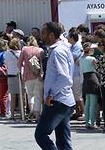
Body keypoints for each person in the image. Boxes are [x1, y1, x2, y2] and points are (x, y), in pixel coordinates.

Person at [34, 22, 75, 150]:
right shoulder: (61, 49)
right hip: (64, 100)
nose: (42, 36)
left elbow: (64, 77)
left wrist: (51, 94)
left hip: (57, 100)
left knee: (41, 134)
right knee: (63, 140)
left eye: (44, 33)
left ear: (52, 35)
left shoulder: (58, 51)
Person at [20, 36, 44, 119]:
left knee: (30, 95)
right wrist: (42, 73)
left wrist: (24, 66)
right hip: (38, 76)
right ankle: (37, 115)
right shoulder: (40, 50)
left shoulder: (24, 49)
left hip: (27, 75)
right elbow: (42, 63)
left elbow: (19, 63)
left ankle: (32, 111)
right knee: (38, 95)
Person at [80, 41, 99, 129]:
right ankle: (92, 122)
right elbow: (97, 68)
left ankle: (87, 122)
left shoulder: (81, 59)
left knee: (87, 102)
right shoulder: (92, 59)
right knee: (93, 102)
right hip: (93, 78)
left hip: (85, 79)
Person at [5, 38, 23, 119]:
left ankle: (12, 115)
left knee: (13, 96)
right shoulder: (21, 53)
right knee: (21, 95)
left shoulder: (7, 53)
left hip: (10, 75)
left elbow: (5, 63)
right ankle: (22, 113)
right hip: (20, 75)